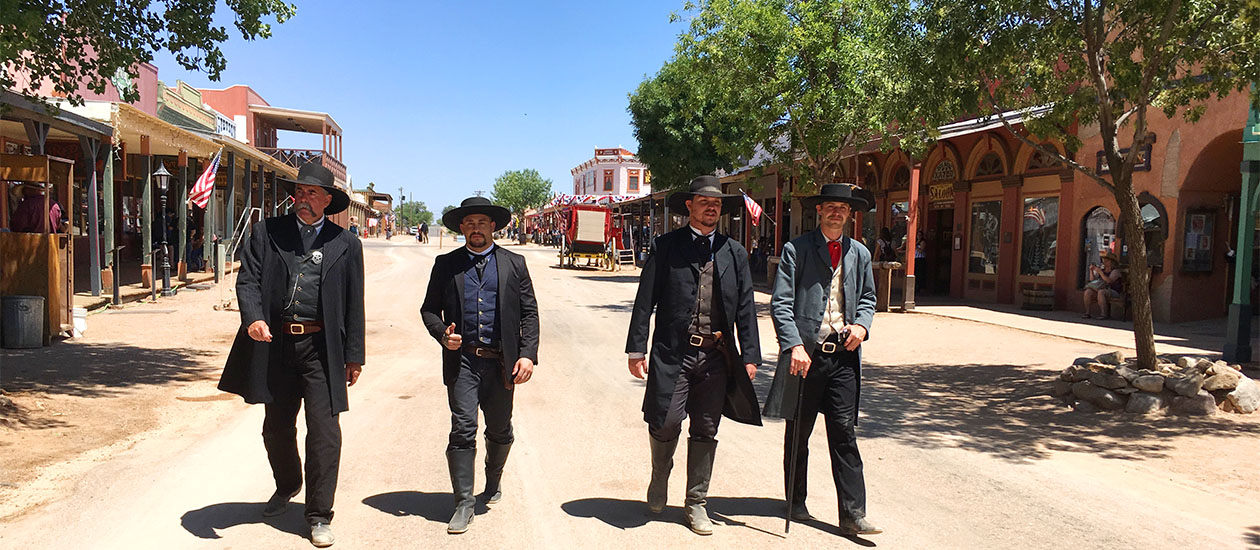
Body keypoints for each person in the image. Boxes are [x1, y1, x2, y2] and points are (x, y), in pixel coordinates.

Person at [218, 162, 365, 548]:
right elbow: (247, 280)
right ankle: (287, 484)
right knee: (276, 428)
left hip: (322, 351)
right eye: (299, 192)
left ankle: (318, 515)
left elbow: (354, 303)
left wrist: (354, 356)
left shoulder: (346, 244)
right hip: (278, 347)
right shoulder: (267, 232)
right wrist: (253, 317)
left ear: (327, 200)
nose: (303, 198)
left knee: (325, 435)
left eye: (312, 193)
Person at [625, 175, 762, 536]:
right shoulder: (666, 246)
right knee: (666, 420)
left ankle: (696, 502)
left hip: (716, 356)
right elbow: (644, 301)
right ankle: (660, 474)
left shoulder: (735, 252)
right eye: (704, 202)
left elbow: (746, 307)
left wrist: (750, 355)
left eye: (716, 203)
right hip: (674, 352)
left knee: (706, 427)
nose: (711, 207)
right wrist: (636, 348)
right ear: (690, 206)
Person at [763, 182, 882, 536]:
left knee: (844, 432)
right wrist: (794, 346)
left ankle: (853, 514)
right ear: (819, 210)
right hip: (807, 356)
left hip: (843, 357)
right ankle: (795, 500)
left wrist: (862, 325)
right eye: (830, 206)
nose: (836, 212)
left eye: (842, 208)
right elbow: (781, 303)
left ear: (850, 214)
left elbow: (869, 298)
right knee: (799, 432)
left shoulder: (859, 253)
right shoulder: (796, 250)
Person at [421, 196, 539, 535]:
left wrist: (527, 354)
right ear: (462, 228)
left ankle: (493, 477)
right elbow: (429, 310)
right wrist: (442, 334)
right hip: (463, 362)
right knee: (462, 428)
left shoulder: (514, 263)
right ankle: (463, 503)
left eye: (482, 223)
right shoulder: (446, 264)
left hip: (501, 363)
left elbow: (529, 313)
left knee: (500, 429)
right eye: (470, 223)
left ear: (493, 227)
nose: (476, 228)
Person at [1083, 252, 1124, 319]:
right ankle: (1087, 312)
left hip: (1113, 291)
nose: (1105, 262)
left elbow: (1109, 281)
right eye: (1104, 260)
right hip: (1100, 288)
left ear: (1112, 262)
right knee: (1088, 292)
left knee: (1101, 292)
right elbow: (1092, 280)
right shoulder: (1102, 270)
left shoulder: (1115, 271)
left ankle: (1103, 314)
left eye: (1107, 260)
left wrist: (1101, 273)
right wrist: (1091, 271)